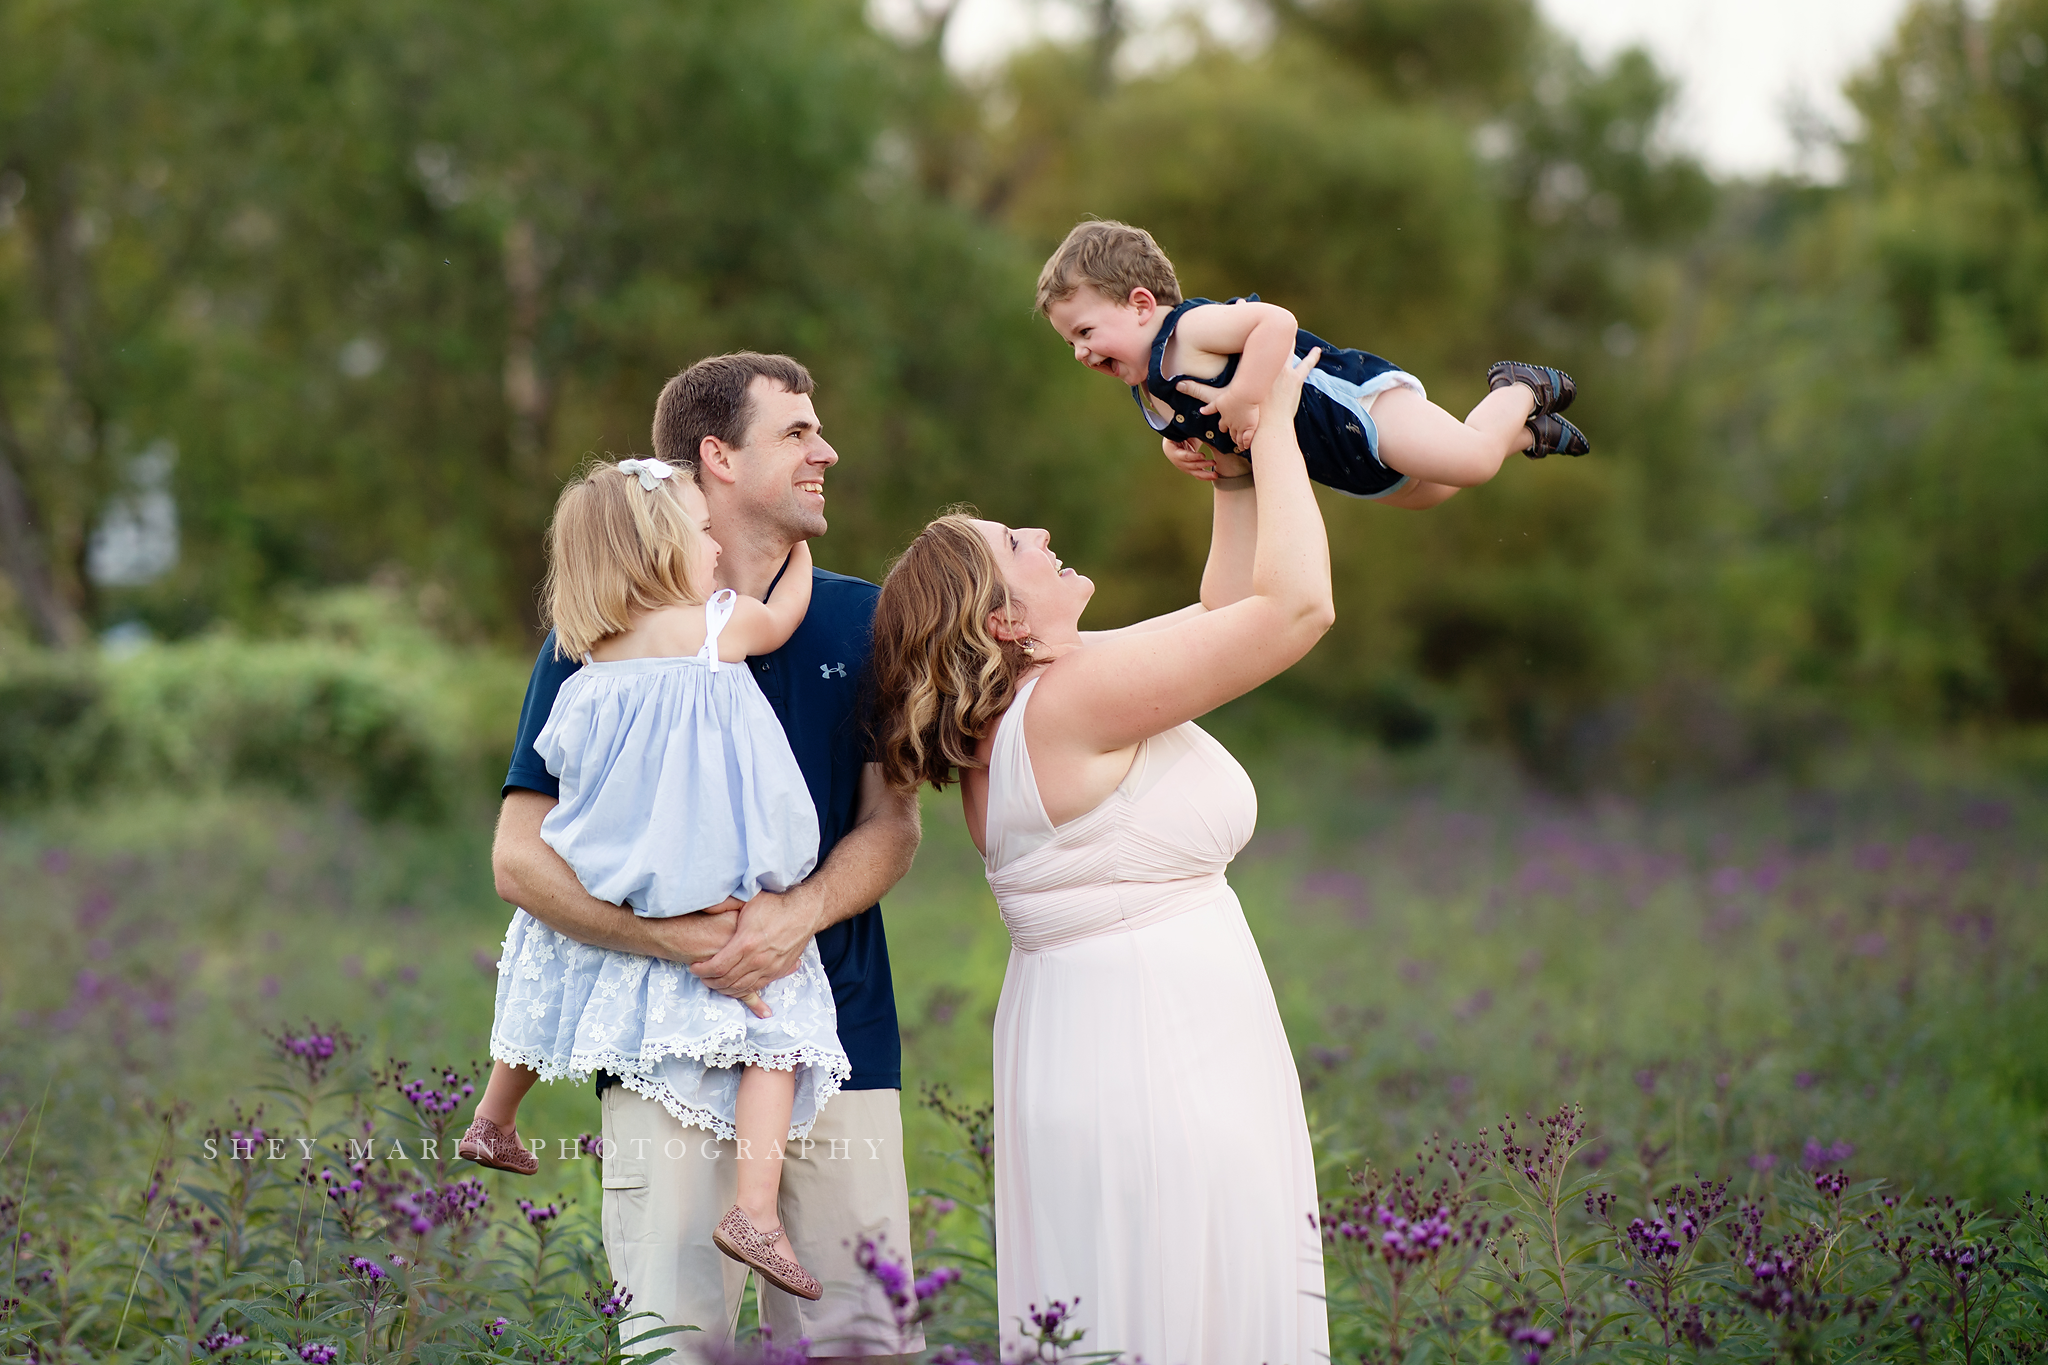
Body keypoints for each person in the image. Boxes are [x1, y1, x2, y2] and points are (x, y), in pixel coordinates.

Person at [867, 348, 1337, 1362]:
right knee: (1181, 1300)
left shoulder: (1048, 694)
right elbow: (1294, 611)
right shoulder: (1074, 701)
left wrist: (1237, 475)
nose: (1038, 532)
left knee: (1153, 1300)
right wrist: (1281, 419)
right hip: (1152, 1048)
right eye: (1013, 542)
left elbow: (1227, 614)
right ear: (1005, 618)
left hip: (1116, 1033)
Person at [489, 353, 925, 1359]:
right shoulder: (593, 627)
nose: (827, 450)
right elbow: (518, 860)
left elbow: (892, 826)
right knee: (673, 1341)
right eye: (798, 433)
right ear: (716, 457)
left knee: (859, 1339)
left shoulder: (866, 619)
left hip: (834, 1035)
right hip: (660, 1050)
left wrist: (794, 916)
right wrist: (674, 942)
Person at [459, 459, 845, 1303]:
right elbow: (782, 617)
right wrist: (797, 552)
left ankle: (493, 1115)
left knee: (542, 973)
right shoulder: (712, 628)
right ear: (665, 552)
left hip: (617, 869)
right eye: (702, 531)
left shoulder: (588, 651)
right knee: (778, 1028)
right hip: (704, 872)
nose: (714, 543)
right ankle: (755, 1211)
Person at [1037, 218, 1588, 510]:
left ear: (1139, 306)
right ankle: (1527, 435)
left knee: (1469, 462)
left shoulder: (1187, 330)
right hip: (1338, 456)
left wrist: (1246, 394)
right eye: (1069, 345)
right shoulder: (1151, 391)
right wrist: (1175, 444)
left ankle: (1518, 388)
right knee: (1431, 493)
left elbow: (1274, 322)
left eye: (1085, 333)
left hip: (1358, 405)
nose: (1083, 353)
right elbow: (1202, 422)